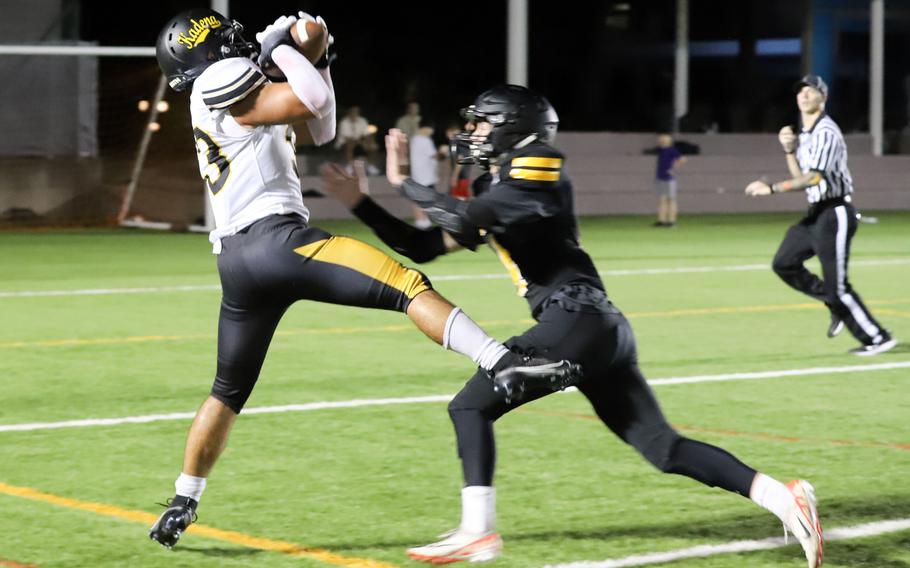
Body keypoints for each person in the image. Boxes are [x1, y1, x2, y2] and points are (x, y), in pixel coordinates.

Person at [321, 85, 824, 567]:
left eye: (481, 123)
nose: (470, 132)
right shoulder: (494, 185)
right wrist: (362, 205)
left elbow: (465, 217)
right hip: (594, 326)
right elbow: (427, 244)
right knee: (662, 448)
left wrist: (403, 182)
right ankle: (785, 497)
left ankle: (480, 527)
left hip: (577, 314)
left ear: (511, 127)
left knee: (471, 404)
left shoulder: (540, 159)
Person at [148, 11, 579, 549]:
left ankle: (183, 501)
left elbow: (321, 124)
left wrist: (319, 56)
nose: (237, 38)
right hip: (278, 243)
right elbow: (311, 102)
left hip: (237, 263)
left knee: (227, 390)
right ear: (208, 52)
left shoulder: (227, 90)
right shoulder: (218, 82)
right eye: (225, 37)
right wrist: (280, 46)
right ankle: (505, 364)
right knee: (406, 284)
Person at [745, 74, 897, 356]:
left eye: (811, 91)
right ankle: (833, 302)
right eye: (800, 91)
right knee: (784, 263)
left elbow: (814, 178)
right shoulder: (806, 135)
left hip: (835, 212)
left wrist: (772, 188)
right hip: (816, 213)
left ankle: (878, 337)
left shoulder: (827, 131)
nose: (804, 95)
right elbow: (800, 177)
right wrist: (789, 151)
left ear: (823, 98)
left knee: (838, 284)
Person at [409, 118, 446, 228]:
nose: (432, 132)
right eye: (431, 129)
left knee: (420, 199)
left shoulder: (415, 139)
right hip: (425, 176)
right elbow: (435, 157)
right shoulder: (424, 140)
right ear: (427, 128)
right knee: (424, 200)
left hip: (419, 175)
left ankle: (422, 221)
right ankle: (422, 221)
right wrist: (443, 151)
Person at [335, 105, 380, 173]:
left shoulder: (363, 120)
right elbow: (347, 137)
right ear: (349, 112)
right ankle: (349, 165)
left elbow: (366, 134)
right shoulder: (344, 122)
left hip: (360, 142)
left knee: (373, 146)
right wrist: (359, 141)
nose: (354, 113)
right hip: (345, 143)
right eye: (353, 112)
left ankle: (371, 165)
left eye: (356, 112)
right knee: (350, 144)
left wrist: (366, 142)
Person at [653, 132, 685, 227]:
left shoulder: (671, 150)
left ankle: (672, 221)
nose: (661, 139)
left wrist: (673, 169)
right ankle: (661, 221)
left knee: (671, 200)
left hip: (669, 179)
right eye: (661, 138)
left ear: (669, 140)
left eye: (664, 138)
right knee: (662, 200)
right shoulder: (660, 150)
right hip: (660, 178)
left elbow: (682, 159)